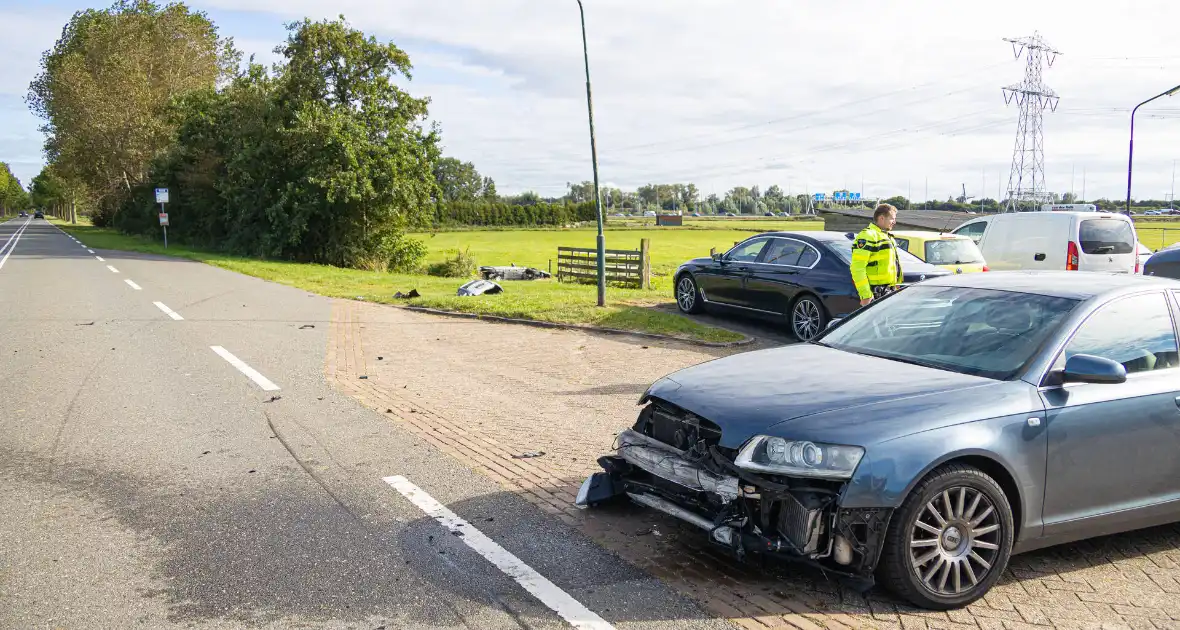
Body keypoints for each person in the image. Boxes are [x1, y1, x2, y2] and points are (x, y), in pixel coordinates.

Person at [850, 203, 902, 306]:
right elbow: (857, 268)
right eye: (892, 219)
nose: (894, 222)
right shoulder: (868, 235)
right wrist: (866, 295)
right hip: (874, 293)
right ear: (882, 218)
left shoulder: (886, 236)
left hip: (888, 291)